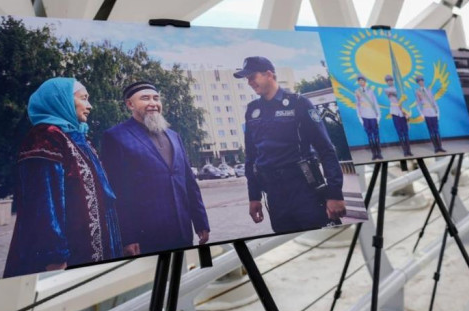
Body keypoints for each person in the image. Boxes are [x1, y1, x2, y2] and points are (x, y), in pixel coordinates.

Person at [4, 78, 122, 277]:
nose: (90, 106)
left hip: (97, 250)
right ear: (62, 100)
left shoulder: (79, 138)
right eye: (83, 98)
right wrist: (54, 256)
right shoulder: (46, 136)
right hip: (68, 258)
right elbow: (43, 204)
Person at [235, 56, 346, 234]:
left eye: (252, 77)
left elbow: (326, 149)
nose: (249, 82)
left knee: (325, 238)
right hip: (275, 195)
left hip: (305, 190)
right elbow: (251, 157)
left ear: (269, 74)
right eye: (247, 79)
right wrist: (254, 196)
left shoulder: (299, 103)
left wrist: (335, 194)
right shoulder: (252, 110)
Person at [101, 81, 209, 256]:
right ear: (130, 104)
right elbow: (117, 191)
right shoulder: (116, 136)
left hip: (182, 230)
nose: (153, 103)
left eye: (156, 98)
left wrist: (200, 221)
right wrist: (128, 236)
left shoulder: (174, 136)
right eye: (145, 98)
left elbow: (189, 182)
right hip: (146, 236)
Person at [355, 74, 383, 160]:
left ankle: (379, 153)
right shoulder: (357, 92)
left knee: (376, 134)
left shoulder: (370, 90)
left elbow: (375, 102)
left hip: (372, 115)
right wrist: (359, 116)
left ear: (365, 81)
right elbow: (357, 105)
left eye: (362, 81)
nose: (361, 82)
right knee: (369, 135)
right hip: (364, 115)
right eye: (359, 81)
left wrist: (378, 115)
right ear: (358, 82)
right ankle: (374, 154)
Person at [384, 74, 413, 156]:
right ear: (386, 82)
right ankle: (404, 151)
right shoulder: (387, 89)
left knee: (406, 132)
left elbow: (405, 101)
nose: (390, 82)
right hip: (395, 112)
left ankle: (409, 150)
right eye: (388, 81)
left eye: (391, 80)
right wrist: (400, 93)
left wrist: (407, 112)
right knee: (399, 132)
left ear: (393, 81)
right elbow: (391, 93)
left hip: (403, 112)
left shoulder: (400, 89)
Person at [414, 75, 444, 152]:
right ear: (417, 83)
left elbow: (433, 101)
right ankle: (436, 148)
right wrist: (421, 114)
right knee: (431, 131)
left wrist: (438, 112)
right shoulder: (417, 91)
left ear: (423, 81)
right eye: (419, 81)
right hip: (426, 113)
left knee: (436, 130)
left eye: (422, 81)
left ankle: (440, 147)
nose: (421, 82)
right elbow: (418, 104)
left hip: (433, 112)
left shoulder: (429, 90)